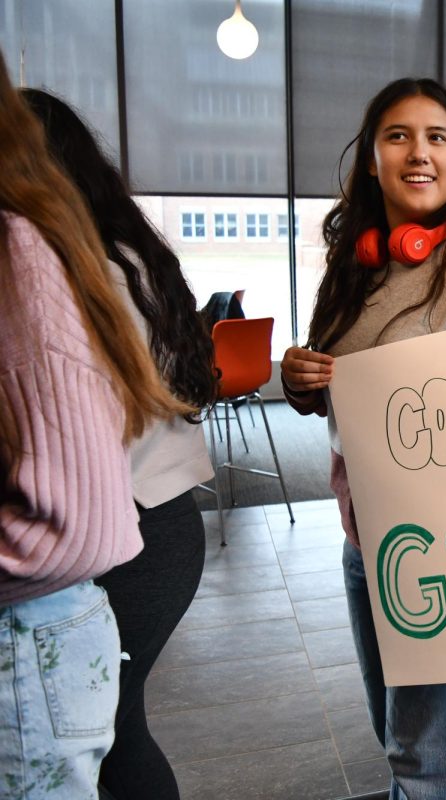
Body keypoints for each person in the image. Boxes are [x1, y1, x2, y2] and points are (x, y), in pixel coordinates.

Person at [279, 78, 446, 800]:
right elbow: (338, 385)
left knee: (428, 766)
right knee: (411, 746)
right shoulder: (354, 264)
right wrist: (304, 379)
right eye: (398, 136)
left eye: (438, 137)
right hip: (366, 543)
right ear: (371, 157)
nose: (419, 153)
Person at [23, 88, 217, 800]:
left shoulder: (75, 273)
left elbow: (73, 428)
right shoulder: (131, 255)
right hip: (165, 520)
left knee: (105, 730)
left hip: (133, 532)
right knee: (116, 725)